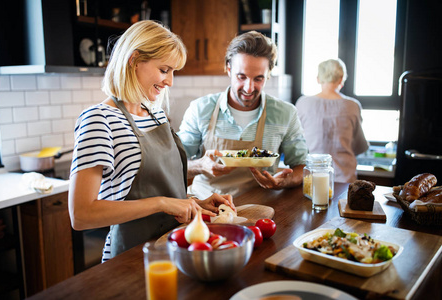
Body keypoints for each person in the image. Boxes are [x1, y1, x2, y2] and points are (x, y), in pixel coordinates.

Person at [68, 21, 234, 262]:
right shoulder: (98, 119)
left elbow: (163, 190)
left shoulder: (156, 115)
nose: (170, 82)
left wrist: (195, 203)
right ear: (134, 60)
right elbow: (81, 214)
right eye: (165, 70)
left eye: (173, 72)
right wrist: (162, 203)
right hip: (130, 258)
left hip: (176, 247)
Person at [177, 31, 308, 200]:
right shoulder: (200, 109)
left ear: (268, 74)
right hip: (206, 206)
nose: (249, 88)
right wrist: (200, 165)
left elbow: (302, 166)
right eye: (242, 77)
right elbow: (176, 164)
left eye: (259, 79)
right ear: (229, 69)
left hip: (262, 208)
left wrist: (282, 182)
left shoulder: (285, 114)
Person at [295, 58, 369, 183]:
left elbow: (296, 141)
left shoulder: (303, 103)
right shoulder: (352, 105)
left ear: (318, 78)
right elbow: (359, 146)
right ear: (341, 79)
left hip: (313, 178)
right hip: (344, 178)